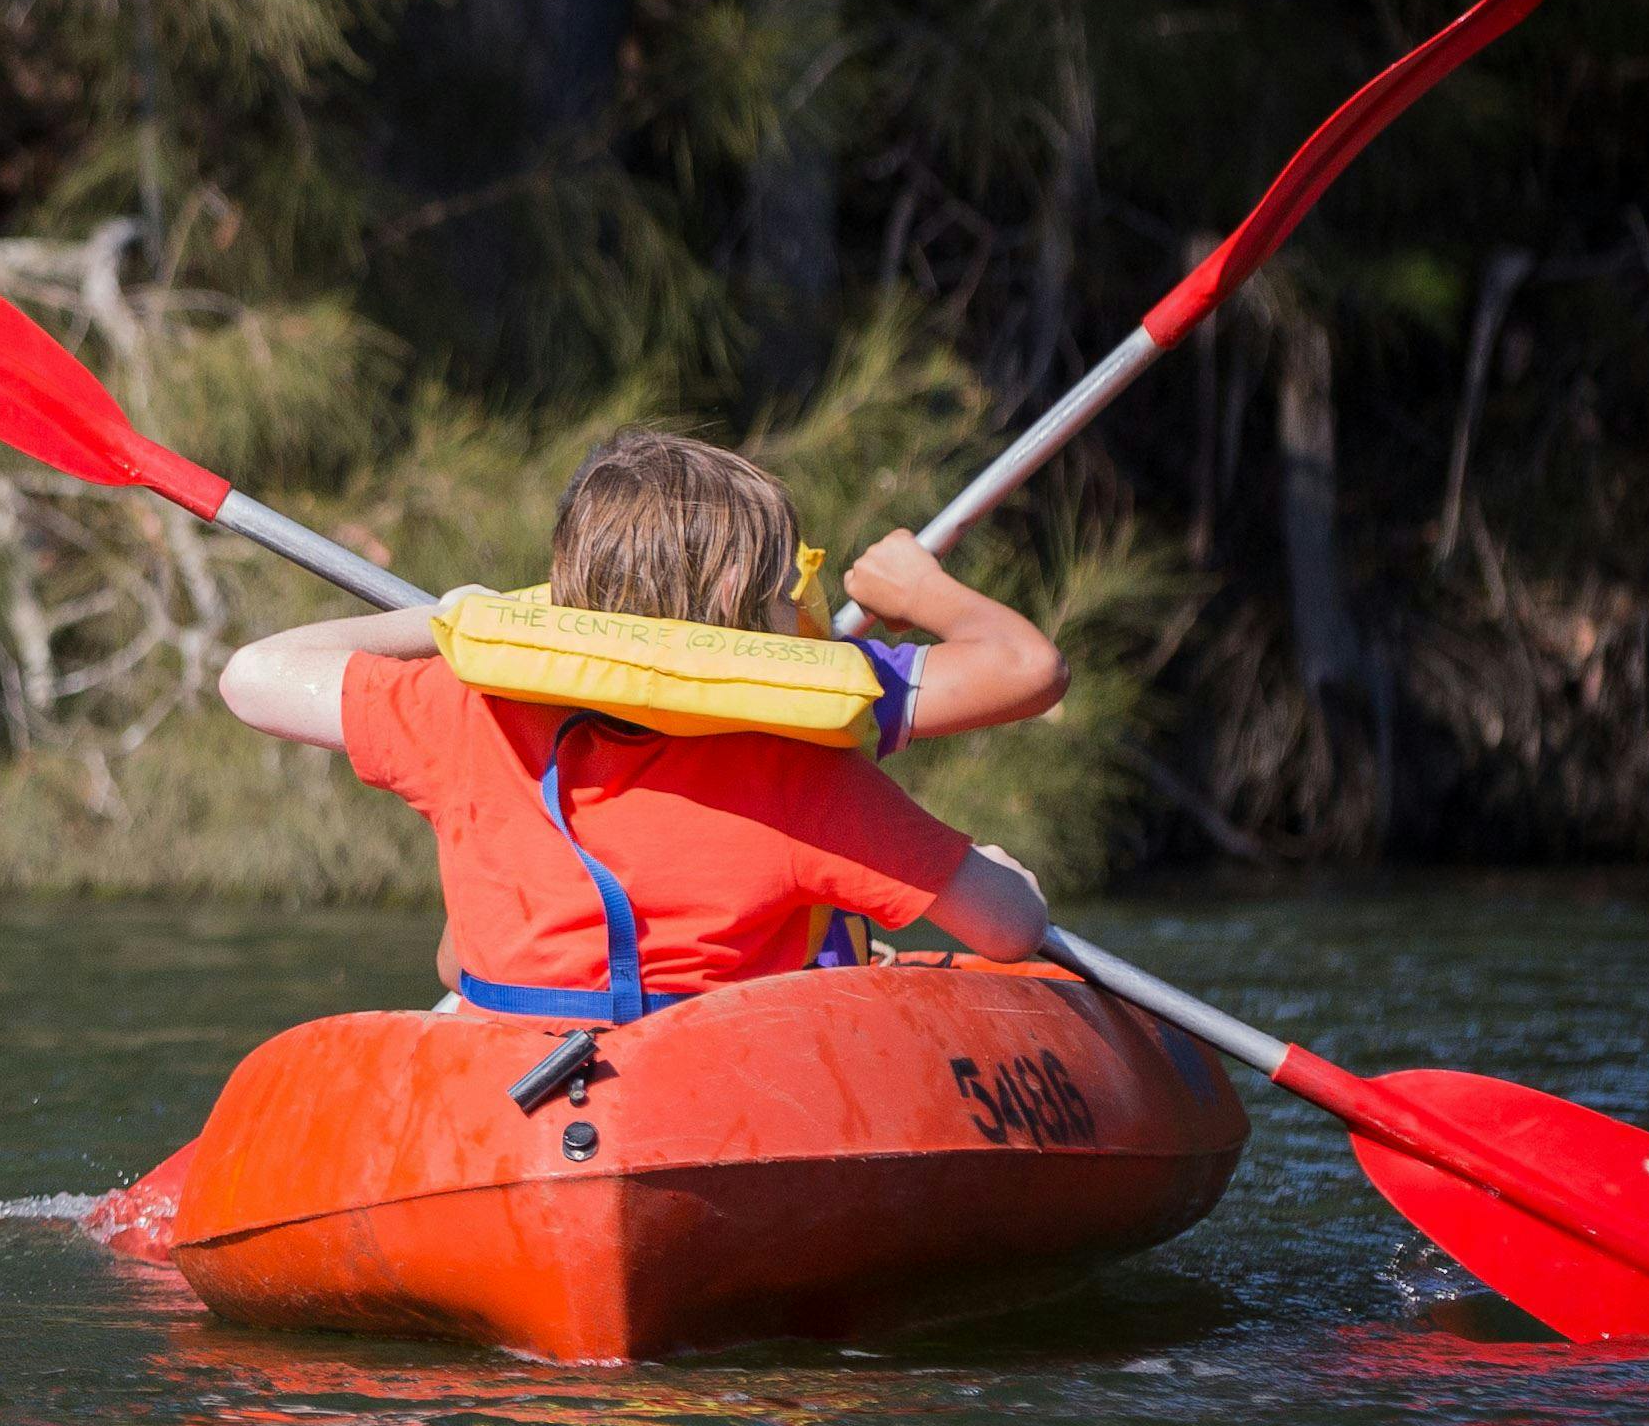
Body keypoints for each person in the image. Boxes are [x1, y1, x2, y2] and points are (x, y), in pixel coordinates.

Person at [214, 428, 1058, 1019]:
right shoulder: (797, 772)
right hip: (721, 1081)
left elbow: (252, 677)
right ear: (744, 612)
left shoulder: (459, 710)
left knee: (454, 966)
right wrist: (996, 871)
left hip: (512, 1071)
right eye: (783, 590)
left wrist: (446, 619)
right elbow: (1010, 928)